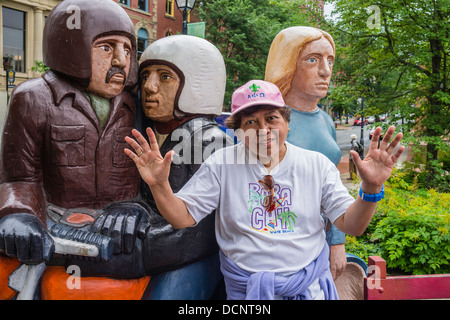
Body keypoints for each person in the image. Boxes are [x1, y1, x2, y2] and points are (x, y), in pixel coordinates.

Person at [124, 80, 405, 300]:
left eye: (271, 118)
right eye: (250, 122)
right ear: (237, 130)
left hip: (308, 289)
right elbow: (182, 217)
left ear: (286, 121)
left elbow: (351, 224)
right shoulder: (222, 163)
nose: (262, 130)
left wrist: (370, 188)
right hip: (247, 293)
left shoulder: (315, 165)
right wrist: (158, 184)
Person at [0, 0, 148, 297]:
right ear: (71, 46)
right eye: (106, 47)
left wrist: (133, 206)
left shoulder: (136, 103)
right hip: (55, 223)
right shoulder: (33, 98)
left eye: (127, 49)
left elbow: (151, 170)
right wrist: (19, 214)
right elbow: (18, 177)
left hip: (115, 230)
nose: (121, 60)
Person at [135, 35, 234, 299]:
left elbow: (196, 234)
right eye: (145, 76)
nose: (149, 87)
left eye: (165, 77)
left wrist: (126, 250)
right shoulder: (144, 134)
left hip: (191, 258)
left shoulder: (211, 141)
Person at [265, 26, 346, 279]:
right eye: (313, 59)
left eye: (330, 60)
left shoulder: (326, 121)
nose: (326, 70)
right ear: (288, 63)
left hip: (318, 243)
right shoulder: (265, 120)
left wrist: (337, 242)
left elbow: (335, 189)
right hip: (277, 249)